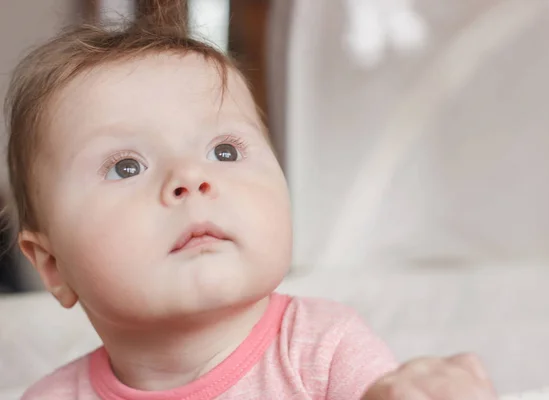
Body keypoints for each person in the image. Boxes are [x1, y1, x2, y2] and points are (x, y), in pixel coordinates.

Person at [5, 6, 498, 400]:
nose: (190, 178)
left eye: (224, 151)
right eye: (126, 166)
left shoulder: (321, 349)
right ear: (52, 266)